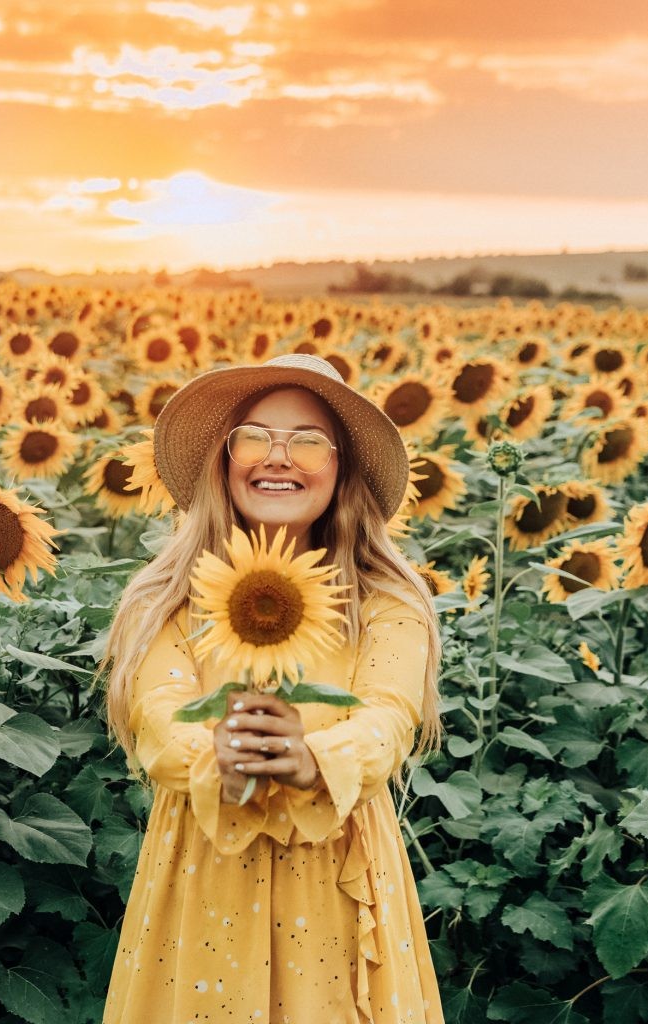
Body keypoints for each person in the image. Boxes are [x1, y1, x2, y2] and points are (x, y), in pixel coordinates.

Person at [101, 353, 444, 1024]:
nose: (277, 458)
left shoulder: (385, 601)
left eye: (308, 442)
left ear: (340, 469)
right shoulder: (168, 599)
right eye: (253, 437)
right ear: (224, 461)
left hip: (336, 877)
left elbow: (387, 716)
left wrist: (314, 758)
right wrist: (219, 754)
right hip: (205, 873)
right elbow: (159, 716)